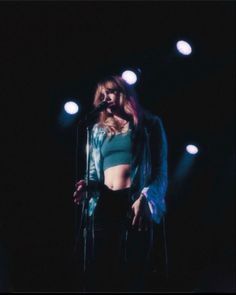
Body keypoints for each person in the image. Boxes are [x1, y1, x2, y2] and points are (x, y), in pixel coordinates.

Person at [73, 75, 168, 292]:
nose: (107, 97)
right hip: (104, 204)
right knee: (100, 272)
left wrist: (146, 197)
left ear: (125, 93)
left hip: (135, 203)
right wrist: (86, 186)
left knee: (133, 272)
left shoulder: (149, 125)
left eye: (112, 91)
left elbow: (160, 171)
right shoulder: (97, 131)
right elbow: (93, 173)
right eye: (103, 94)